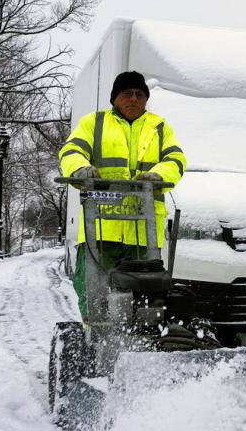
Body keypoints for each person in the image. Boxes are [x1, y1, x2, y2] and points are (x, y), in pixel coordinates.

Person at [59, 70, 186, 320]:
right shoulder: (94, 123)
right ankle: (93, 339)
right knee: (92, 290)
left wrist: (157, 175)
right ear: (115, 98)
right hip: (101, 228)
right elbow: (71, 150)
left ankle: (140, 342)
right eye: (127, 93)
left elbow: (176, 159)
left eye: (140, 94)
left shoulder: (158, 127)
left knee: (146, 294)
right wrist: (80, 169)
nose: (134, 99)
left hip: (143, 232)